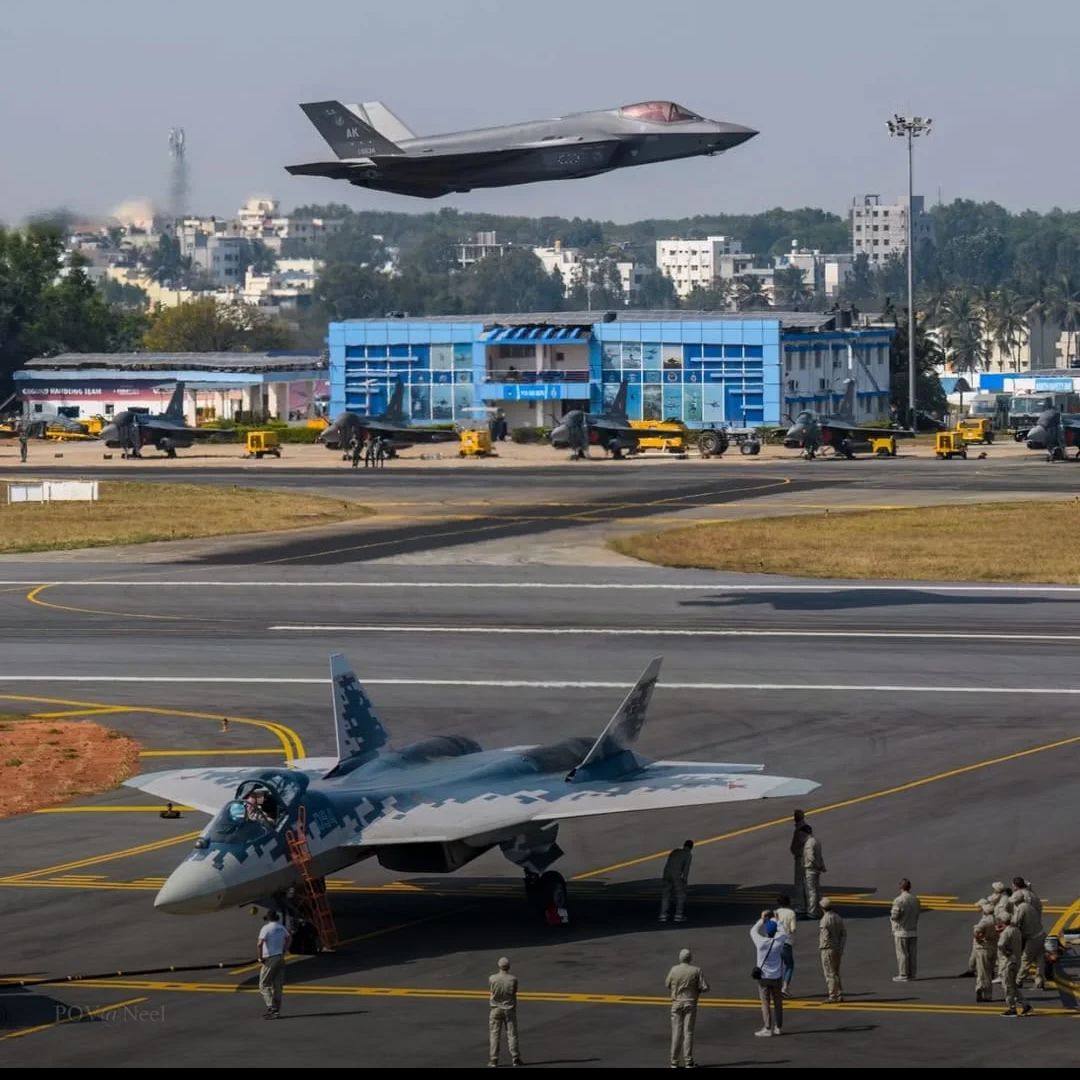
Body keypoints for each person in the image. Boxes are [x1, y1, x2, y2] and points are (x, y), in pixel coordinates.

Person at [665, 947, 710, 1068]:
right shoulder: (696, 970)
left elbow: (667, 984)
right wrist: (696, 991)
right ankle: (688, 1060)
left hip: (676, 1003)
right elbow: (705, 987)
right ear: (690, 958)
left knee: (676, 1032)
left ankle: (674, 1061)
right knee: (688, 1032)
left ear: (680, 958)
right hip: (690, 1003)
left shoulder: (674, 970)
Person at [750, 910, 788, 1036]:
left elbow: (753, 930)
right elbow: (783, 931)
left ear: (767, 931)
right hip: (776, 976)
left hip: (764, 977)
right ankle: (779, 1027)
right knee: (778, 1003)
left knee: (765, 1003)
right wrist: (775, 919)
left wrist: (762, 919)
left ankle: (767, 1028)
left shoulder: (760, 943)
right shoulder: (779, 941)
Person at [1010, 879, 1046, 991]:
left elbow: (1015, 922)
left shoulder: (1022, 906)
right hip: (1039, 931)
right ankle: (1039, 981)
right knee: (1039, 958)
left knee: (1025, 959)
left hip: (1031, 935)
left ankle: (1018, 981)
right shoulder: (1033, 896)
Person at [488, 956, 523, 1067]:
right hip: (509, 1008)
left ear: (499, 966)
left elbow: (491, 990)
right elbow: (514, 992)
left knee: (494, 1034)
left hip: (495, 1008)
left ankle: (493, 1059)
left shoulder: (492, 978)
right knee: (512, 1034)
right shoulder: (513, 979)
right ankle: (515, 1058)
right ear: (508, 966)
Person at [257, 910, 291, 1018]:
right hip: (280, 957)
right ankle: (276, 1009)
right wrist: (284, 949)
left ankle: (272, 1007)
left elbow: (259, 944)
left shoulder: (265, 928)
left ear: (268, 918)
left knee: (263, 984)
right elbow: (289, 938)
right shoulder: (281, 927)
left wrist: (260, 957)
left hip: (270, 959)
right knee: (278, 985)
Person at [996, 918, 1032, 1016]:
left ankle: (1012, 1009)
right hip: (1016, 961)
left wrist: (1006, 952)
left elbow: (1000, 945)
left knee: (1008, 987)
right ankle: (1025, 1004)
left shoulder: (1006, 933)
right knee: (1013, 986)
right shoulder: (1016, 930)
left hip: (1007, 963)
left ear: (1002, 922)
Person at [891, 878, 920, 982]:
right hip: (913, 930)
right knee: (912, 954)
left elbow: (895, 915)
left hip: (901, 931)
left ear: (901, 887)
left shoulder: (898, 900)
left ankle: (903, 974)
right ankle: (912, 974)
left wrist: (892, 918)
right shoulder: (915, 899)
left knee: (902, 954)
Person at [818, 897, 847, 1002]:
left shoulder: (824, 920)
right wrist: (840, 946)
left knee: (829, 972)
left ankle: (833, 995)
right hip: (837, 948)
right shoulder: (838, 917)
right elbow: (843, 934)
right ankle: (839, 993)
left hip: (828, 948)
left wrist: (826, 945)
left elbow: (825, 936)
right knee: (836, 972)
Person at [659, 839, 693, 923]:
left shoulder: (674, 851)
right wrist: (684, 880)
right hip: (676, 875)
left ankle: (663, 915)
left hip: (666, 873)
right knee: (681, 895)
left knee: (666, 894)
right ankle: (678, 915)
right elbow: (686, 869)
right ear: (691, 847)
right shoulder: (688, 854)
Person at [972, 903, 998, 1003]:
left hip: (984, 948)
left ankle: (982, 988)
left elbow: (977, 932)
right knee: (989, 971)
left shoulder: (985, 921)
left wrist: (978, 940)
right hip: (993, 947)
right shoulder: (996, 920)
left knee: (982, 971)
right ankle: (986, 992)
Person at [774, 893, 797, 997]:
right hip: (786, 943)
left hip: (775, 942)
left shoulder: (776, 912)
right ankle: (785, 987)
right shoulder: (791, 913)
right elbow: (793, 928)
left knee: (777, 966)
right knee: (789, 965)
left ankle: (775, 988)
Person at [801, 826, 826, 920]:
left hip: (810, 869)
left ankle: (812, 912)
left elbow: (811, 856)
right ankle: (819, 910)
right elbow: (819, 855)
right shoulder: (816, 840)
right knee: (817, 890)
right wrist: (821, 866)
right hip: (816, 869)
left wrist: (814, 864)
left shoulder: (809, 843)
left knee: (811, 891)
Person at [790, 811, 809, 913]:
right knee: (807, 882)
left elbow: (800, 844)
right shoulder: (806, 828)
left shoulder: (800, 830)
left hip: (801, 858)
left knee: (799, 883)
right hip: (806, 857)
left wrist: (795, 851)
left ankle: (801, 906)